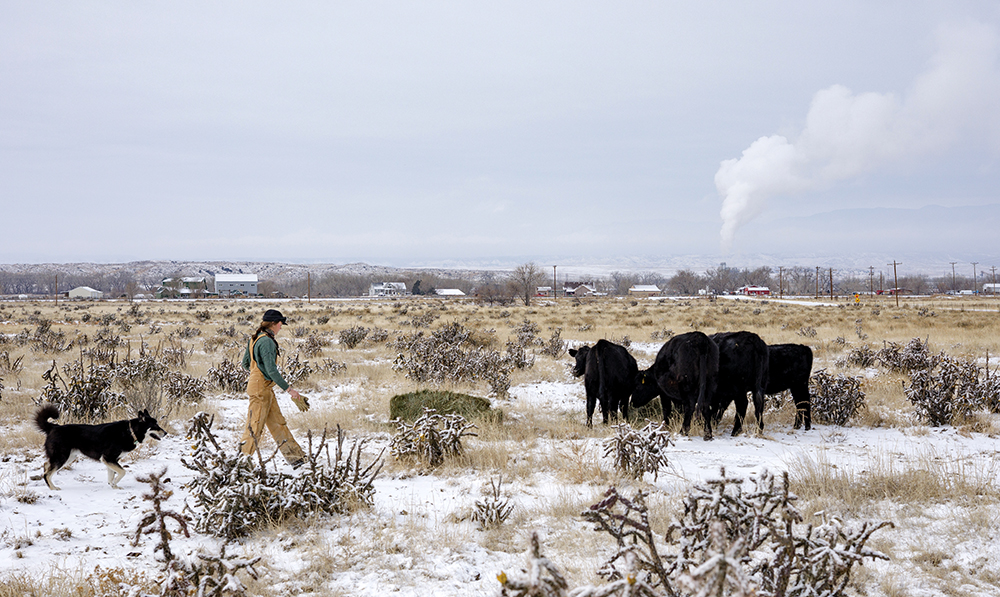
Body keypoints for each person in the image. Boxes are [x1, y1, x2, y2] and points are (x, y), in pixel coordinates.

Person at [240, 309, 308, 466]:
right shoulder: (267, 342)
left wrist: (257, 374)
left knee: (278, 423)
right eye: (280, 324)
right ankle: (240, 463)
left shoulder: (255, 338)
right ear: (273, 324)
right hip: (261, 389)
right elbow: (271, 370)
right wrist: (289, 390)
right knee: (255, 427)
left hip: (262, 388)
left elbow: (245, 363)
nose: (281, 327)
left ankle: (296, 459)